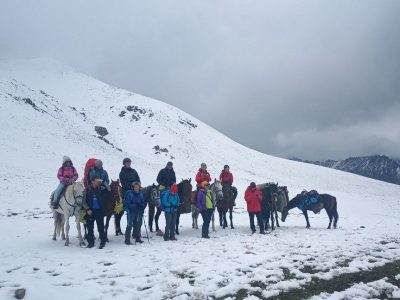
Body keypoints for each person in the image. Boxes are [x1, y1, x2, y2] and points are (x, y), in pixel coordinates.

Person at [83, 177, 107, 249]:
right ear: (92, 181)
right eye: (97, 181)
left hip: (99, 211)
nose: (98, 182)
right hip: (90, 211)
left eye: (99, 181)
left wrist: (103, 181)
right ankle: (91, 243)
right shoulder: (87, 189)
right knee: (90, 228)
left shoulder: (101, 188)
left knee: (101, 227)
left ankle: (103, 242)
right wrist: (87, 209)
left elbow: (109, 189)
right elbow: (83, 201)